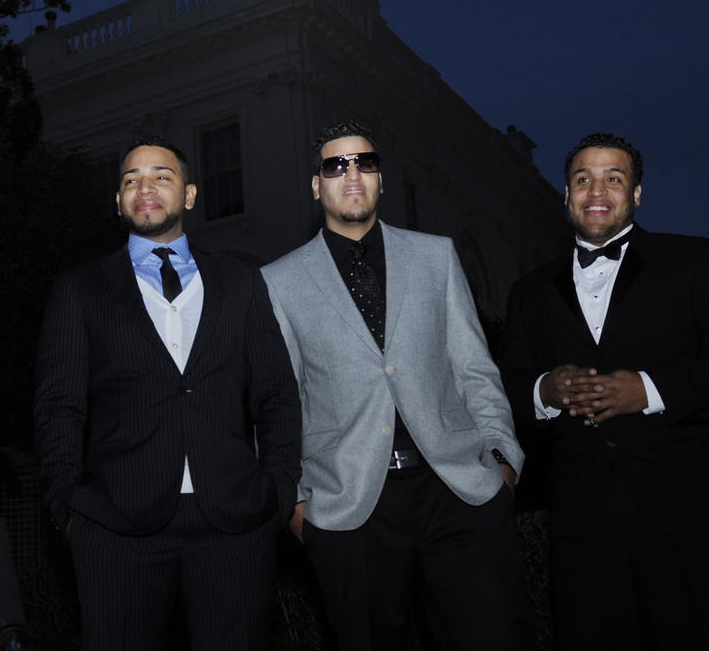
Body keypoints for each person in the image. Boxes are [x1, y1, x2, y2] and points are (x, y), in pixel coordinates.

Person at [261, 119, 532, 651]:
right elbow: (279, 402)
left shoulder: (435, 257)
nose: (352, 174)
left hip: (457, 490)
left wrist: (502, 458)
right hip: (350, 509)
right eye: (336, 165)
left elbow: (474, 369)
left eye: (366, 162)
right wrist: (295, 505)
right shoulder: (278, 281)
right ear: (317, 185)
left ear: (381, 180)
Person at [34, 135, 301, 651]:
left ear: (191, 194)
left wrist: (278, 491)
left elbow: (276, 396)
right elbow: (57, 407)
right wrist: (69, 508)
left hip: (234, 523)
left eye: (161, 175)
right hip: (115, 527)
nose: (144, 187)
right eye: (130, 179)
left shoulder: (241, 282)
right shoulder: (80, 288)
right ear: (118, 201)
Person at [498, 132, 709, 650]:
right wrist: (547, 390)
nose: (597, 190)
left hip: (685, 517)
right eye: (582, 179)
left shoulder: (695, 264)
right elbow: (506, 388)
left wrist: (648, 389)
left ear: (635, 194)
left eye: (614, 179)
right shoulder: (528, 292)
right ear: (566, 194)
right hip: (579, 526)